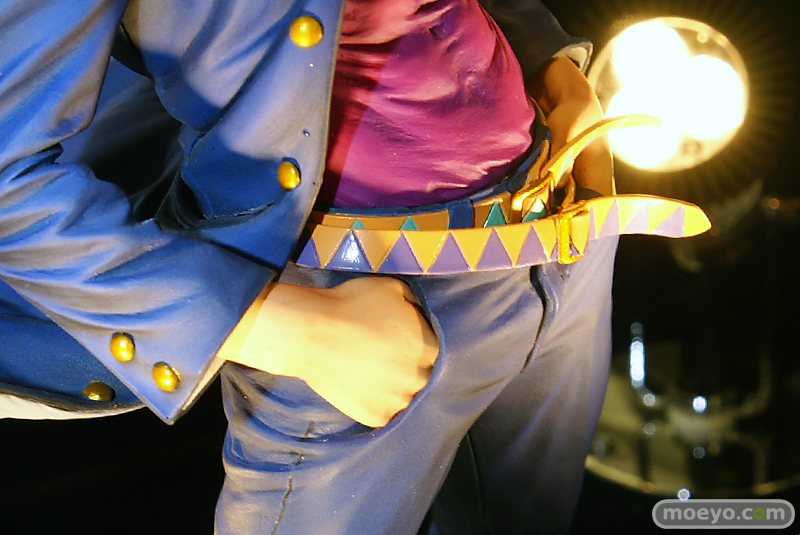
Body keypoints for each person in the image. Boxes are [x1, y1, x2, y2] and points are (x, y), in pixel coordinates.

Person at [0, 1, 707, 533]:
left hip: (560, 223)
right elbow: (8, 187)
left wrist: (556, 71)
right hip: (359, 302)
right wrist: (293, 332)